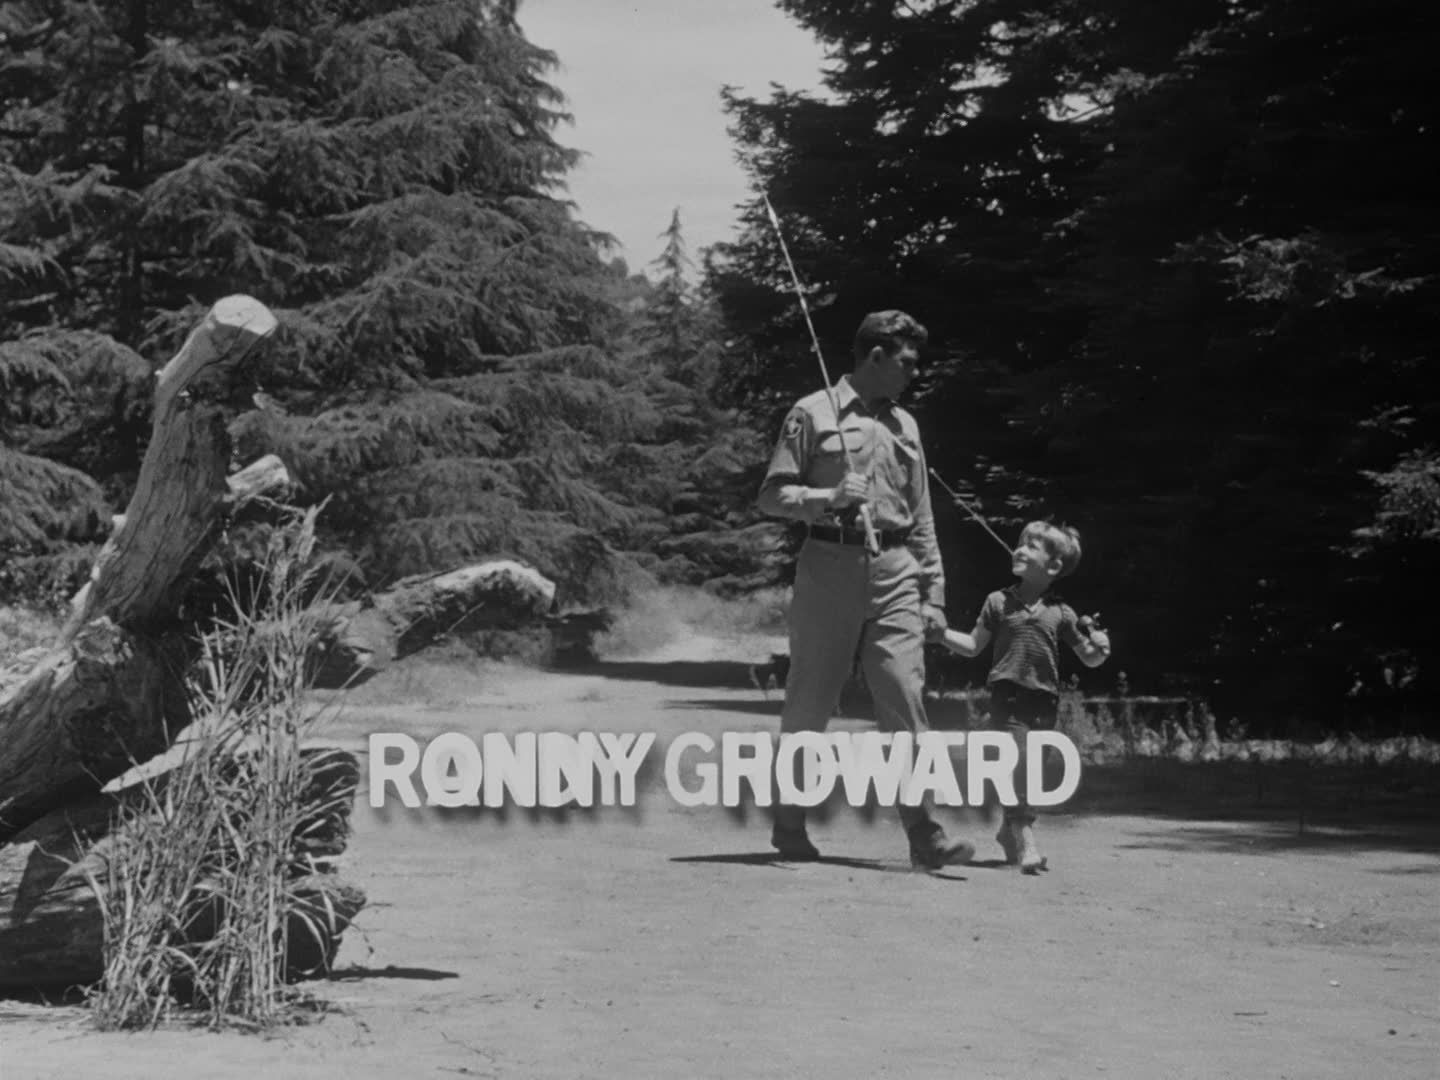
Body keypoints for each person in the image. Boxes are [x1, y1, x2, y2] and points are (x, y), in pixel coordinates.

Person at [757, 309, 975, 869]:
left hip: (897, 570)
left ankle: (925, 834)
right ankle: (790, 819)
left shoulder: (907, 426)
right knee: (811, 699)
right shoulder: (812, 412)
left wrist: (934, 593)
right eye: (907, 362)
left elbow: (922, 515)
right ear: (876, 357)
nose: (915, 373)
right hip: (828, 566)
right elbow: (771, 495)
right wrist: (825, 498)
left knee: (904, 695)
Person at [933, 521, 1112, 873]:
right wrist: (941, 635)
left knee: (1033, 773)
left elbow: (1090, 658)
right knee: (1018, 765)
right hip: (1008, 698)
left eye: (1032, 546)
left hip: (1045, 703)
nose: (1020, 549)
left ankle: (1007, 831)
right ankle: (1027, 841)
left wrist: (1102, 648)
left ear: (1054, 566)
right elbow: (972, 646)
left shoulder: (1062, 613)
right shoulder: (998, 602)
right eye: (1020, 543)